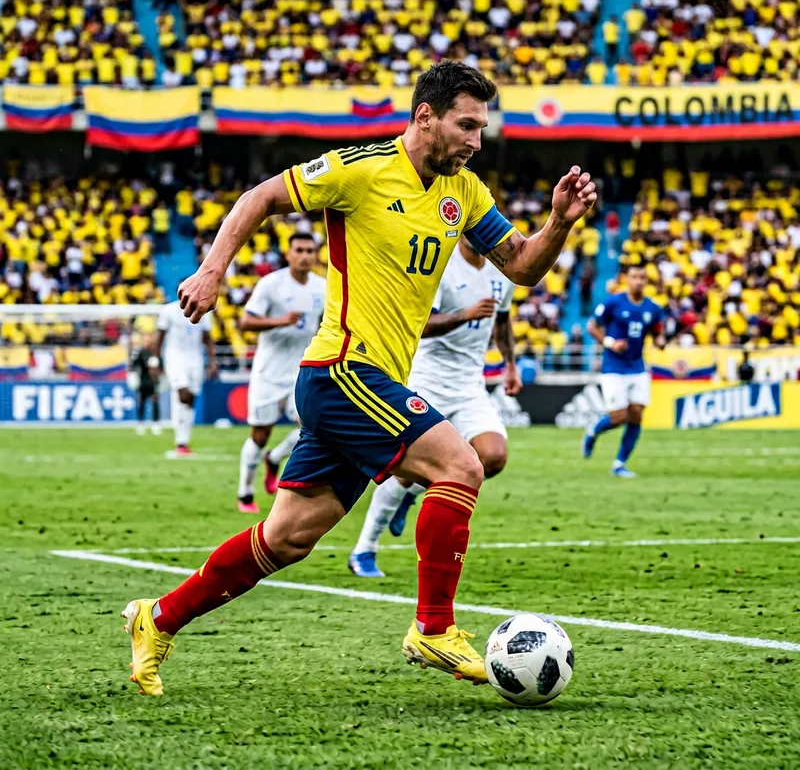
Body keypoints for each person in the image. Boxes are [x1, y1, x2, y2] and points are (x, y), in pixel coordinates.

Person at [122, 61, 596, 695]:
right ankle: (433, 627)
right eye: (466, 125)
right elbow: (260, 197)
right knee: (461, 465)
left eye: (481, 128)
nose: (476, 141)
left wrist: (560, 222)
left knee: (286, 538)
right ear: (425, 116)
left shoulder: (465, 193)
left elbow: (522, 267)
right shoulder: (361, 169)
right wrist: (211, 271)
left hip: (365, 382)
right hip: (344, 369)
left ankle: (158, 618)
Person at [349, 235, 520, 578]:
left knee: (493, 456)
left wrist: (510, 365)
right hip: (427, 380)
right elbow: (421, 325)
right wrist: (464, 315)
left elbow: (501, 321)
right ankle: (364, 549)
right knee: (404, 469)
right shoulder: (440, 266)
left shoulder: (502, 271)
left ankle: (412, 495)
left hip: (469, 385)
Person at [236, 235, 325, 513]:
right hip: (270, 371)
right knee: (260, 434)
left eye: (310, 251)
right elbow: (245, 322)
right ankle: (245, 493)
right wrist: (280, 321)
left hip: (303, 369)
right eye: (299, 250)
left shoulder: (323, 287)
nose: (305, 256)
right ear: (288, 254)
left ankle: (275, 458)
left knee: (312, 428)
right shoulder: (271, 284)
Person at [582, 264, 665, 477]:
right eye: (634, 277)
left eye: (642, 278)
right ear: (627, 279)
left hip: (638, 367)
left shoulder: (653, 308)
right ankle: (593, 430)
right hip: (613, 367)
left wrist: (660, 341)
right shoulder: (613, 302)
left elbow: (657, 332)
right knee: (618, 417)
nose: (638, 281)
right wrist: (610, 343)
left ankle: (619, 464)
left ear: (646, 281)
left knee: (636, 414)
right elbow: (591, 326)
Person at [154, 298, 217, 456]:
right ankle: (180, 439)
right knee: (183, 393)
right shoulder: (169, 310)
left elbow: (207, 338)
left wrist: (212, 361)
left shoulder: (204, 310)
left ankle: (183, 442)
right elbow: (160, 336)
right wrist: (155, 360)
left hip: (195, 357)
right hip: (174, 356)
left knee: (190, 399)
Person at [129, 333, 162, 436]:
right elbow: (134, 365)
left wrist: (157, 371)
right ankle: (141, 423)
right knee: (141, 402)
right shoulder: (141, 353)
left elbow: (162, 367)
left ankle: (156, 423)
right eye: (147, 340)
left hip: (154, 382)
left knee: (155, 402)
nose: (149, 342)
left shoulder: (156, 353)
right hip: (143, 381)